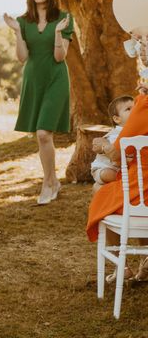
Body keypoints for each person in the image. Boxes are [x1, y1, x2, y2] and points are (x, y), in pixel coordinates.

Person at [4, 0, 73, 205]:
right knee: (40, 136)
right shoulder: (23, 21)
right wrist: (16, 32)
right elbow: (22, 57)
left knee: (44, 133)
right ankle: (52, 181)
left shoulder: (64, 18)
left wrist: (56, 32)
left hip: (56, 78)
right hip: (34, 79)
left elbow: (58, 56)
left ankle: (48, 182)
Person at [86, 86, 148, 280]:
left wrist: (104, 146)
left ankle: (119, 263)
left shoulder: (143, 108)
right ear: (116, 119)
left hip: (140, 193)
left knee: (100, 195)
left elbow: (117, 155)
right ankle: (141, 261)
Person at [91, 95, 134, 193]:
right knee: (109, 174)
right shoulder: (115, 135)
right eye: (128, 109)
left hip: (122, 169)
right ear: (117, 119)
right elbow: (115, 155)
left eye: (135, 107)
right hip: (103, 167)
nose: (134, 110)